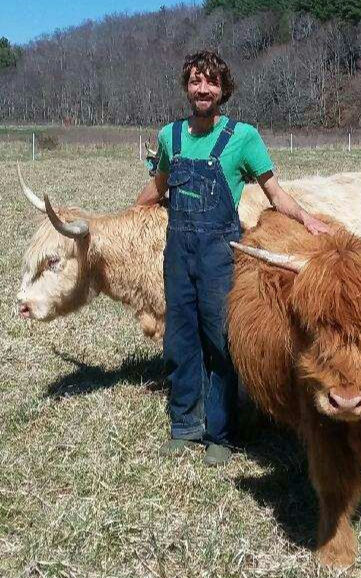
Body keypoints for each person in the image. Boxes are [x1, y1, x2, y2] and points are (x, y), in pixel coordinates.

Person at [135, 50, 330, 465]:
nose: (202, 89)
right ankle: (184, 423)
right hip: (178, 253)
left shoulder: (243, 138)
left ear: (223, 89)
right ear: (186, 87)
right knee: (180, 337)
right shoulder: (169, 136)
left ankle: (221, 433)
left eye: (210, 82)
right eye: (195, 81)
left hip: (220, 255)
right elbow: (158, 187)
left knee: (221, 340)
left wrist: (308, 220)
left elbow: (276, 194)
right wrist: (124, 216)